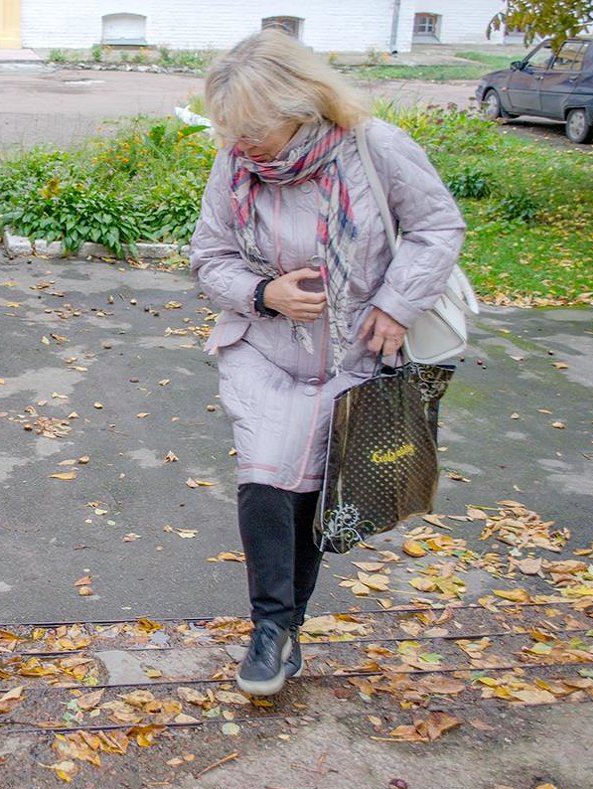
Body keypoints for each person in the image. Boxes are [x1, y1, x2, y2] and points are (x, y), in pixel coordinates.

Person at [190, 30, 465, 695]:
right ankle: (266, 625)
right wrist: (264, 294)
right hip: (264, 347)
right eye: (231, 129)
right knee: (265, 478)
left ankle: (289, 625)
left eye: (255, 127)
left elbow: (437, 227)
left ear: (302, 102)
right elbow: (209, 257)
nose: (243, 143)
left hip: (355, 352)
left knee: (309, 490)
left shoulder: (375, 148)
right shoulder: (235, 164)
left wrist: (397, 306)